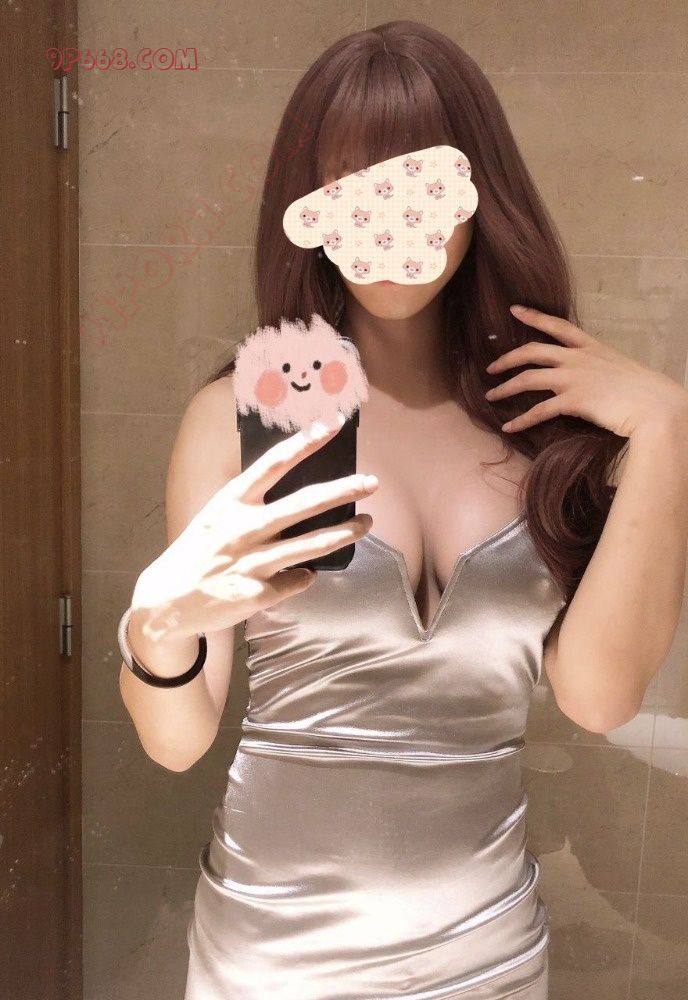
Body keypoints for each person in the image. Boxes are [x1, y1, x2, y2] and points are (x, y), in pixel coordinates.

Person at [118, 20, 688, 1000]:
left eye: (418, 187)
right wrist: (155, 623)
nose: (388, 230)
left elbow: (598, 699)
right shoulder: (244, 417)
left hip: (488, 954)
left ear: (477, 196)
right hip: (272, 959)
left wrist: (666, 427)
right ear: (308, 209)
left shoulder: (545, 435)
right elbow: (177, 741)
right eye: (351, 191)